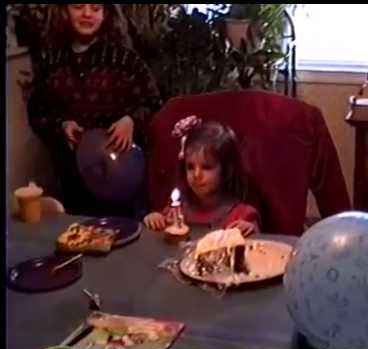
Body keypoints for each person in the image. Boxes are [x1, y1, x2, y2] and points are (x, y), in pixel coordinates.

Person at [26, 4, 161, 217]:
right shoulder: (51, 62)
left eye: (95, 8)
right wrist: (61, 125)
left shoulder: (125, 60)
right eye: (78, 6)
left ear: (105, 14)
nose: (87, 14)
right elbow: (37, 112)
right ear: (65, 11)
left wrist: (131, 120)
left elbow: (153, 103)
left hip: (122, 180)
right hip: (73, 181)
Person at [144, 116, 261, 237]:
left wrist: (250, 230)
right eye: (190, 167)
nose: (196, 175)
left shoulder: (242, 215)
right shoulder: (178, 210)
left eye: (206, 167)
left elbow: (259, 245)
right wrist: (155, 220)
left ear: (227, 169)